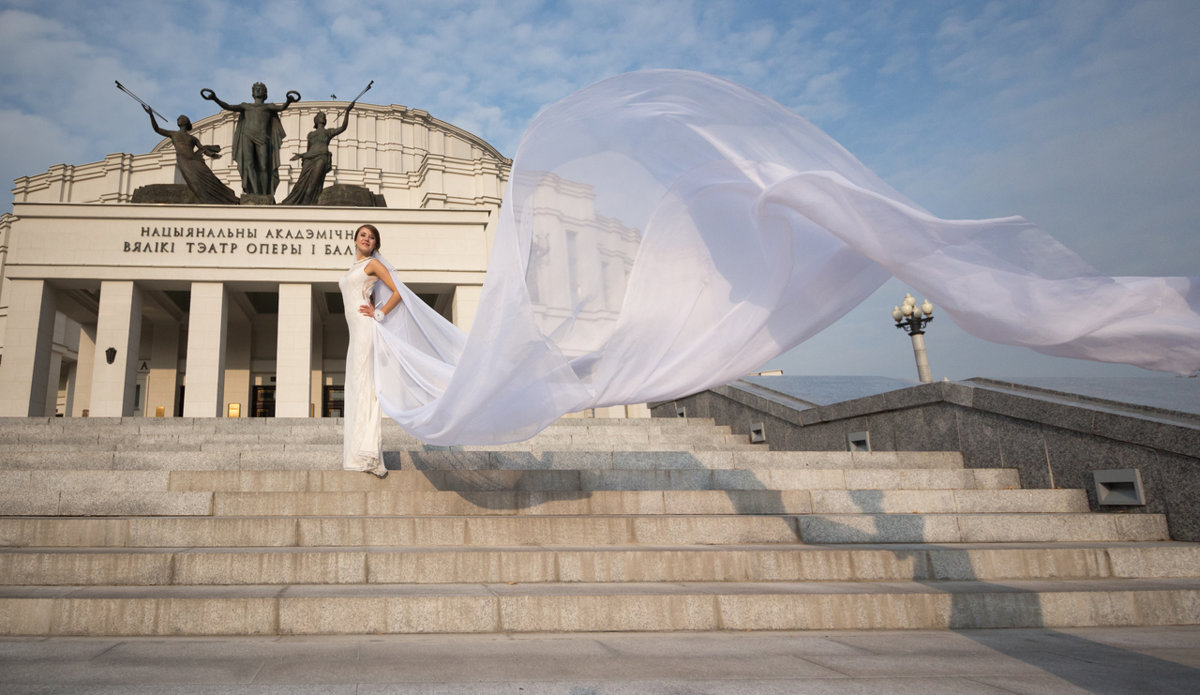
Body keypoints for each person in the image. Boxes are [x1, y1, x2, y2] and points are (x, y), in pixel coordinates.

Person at [339, 223, 402, 476]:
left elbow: (398, 292)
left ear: (375, 245)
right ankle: (357, 456)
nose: (367, 239)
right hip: (355, 335)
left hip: (366, 330)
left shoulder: (373, 265)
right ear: (354, 240)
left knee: (366, 388)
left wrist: (378, 312)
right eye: (363, 235)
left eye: (372, 237)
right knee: (356, 389)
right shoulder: (353, 268)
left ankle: (370, 456)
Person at [201, 82, 298, 196]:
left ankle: (265, 194)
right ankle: (255, 193)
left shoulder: (268, 106)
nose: (258, 91)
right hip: (247, 136)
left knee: (264, 166)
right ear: (252, 93)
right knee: (249, 164)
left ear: (265, 93)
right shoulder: (246, 106)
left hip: (263, 138)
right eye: (256, 89)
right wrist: (215, 98)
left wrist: (288, 101)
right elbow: (229, 107)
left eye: (260, 89)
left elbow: (281, 108)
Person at [142, 106, 239, 205]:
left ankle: (228, 198)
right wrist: (151, 115)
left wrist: (212, 155)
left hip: (195, 160)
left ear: (186, 122)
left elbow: (202, 149)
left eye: (182, 118)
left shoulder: (192, 138)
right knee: (195, 182)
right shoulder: (173, 134)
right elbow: (157, 129)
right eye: (178, 118)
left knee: (210, 178)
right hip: (184, 161)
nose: (179, 119)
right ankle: (208, 199)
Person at [281, 105, 353, 206]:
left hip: (321, 158)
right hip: (309, 160)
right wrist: (301, 155)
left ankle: (308, 204)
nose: (323, 117)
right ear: (316, 120)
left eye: (324, 116)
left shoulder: (328, 132)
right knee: (301, 183)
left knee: (314, 183)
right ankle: (297, 203)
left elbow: (343, 127)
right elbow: (309, 150)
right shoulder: (311, 135)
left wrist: (347, 112)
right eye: (321, 116)